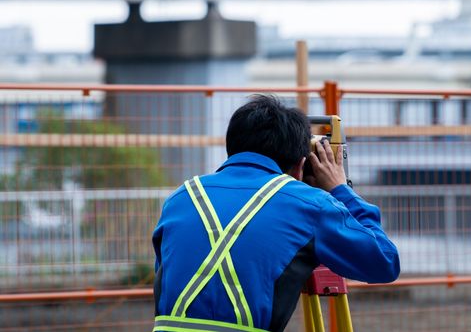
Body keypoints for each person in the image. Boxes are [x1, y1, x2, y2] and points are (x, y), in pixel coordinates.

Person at [152, 95, 400, 332]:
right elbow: (384, 262)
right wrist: (340, 189)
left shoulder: (182, 197)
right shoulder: (309, 205)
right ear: (302, 164)